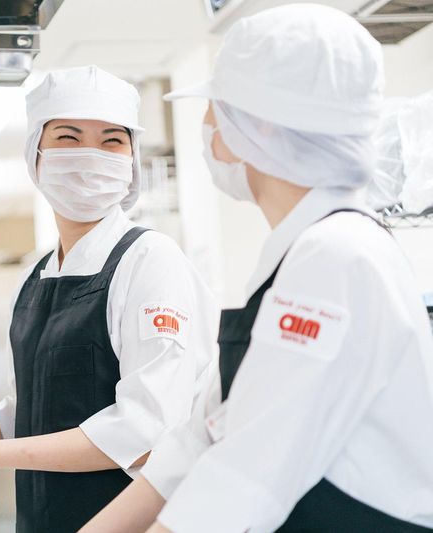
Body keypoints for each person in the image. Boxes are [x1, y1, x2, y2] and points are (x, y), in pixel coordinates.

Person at [80, 4, 433, 533]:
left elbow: (242, 479)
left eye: (214, 109)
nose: (206, 127)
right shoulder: (307, 252)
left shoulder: (336, 259)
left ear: (258, 126)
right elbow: (198, 442)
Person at [0, 65, 219, 533]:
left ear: (131, 158)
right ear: (36, 153)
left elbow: (147, 433)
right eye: (69, 137)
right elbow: (26, 420)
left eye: (112, 140)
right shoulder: (37, 276)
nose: (90, 155)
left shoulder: (150, 260)